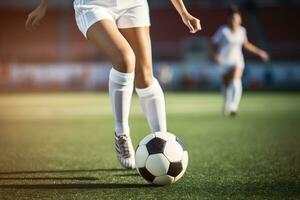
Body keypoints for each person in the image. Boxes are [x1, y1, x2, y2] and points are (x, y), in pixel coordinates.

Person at [26, 0, 201, 169]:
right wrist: (43, 6)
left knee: (145, 76)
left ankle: (163, 140)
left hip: (133, 3)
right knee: (125, 59)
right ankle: (121, 134)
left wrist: (184, 12)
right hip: (93, 4)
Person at [212, 5, 269, 117]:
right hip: (224, 62)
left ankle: (234, 106)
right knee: (226, 86)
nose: (234, 21)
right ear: (229, 20)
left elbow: (246, 44)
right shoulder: (223, 31)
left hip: (237, 60)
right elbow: (213, 44)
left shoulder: (242, 31)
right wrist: (216, 55)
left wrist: (259, 52)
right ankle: (226, 103)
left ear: (240, 20)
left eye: (237, 19)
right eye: (232, 19)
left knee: (236, 79)